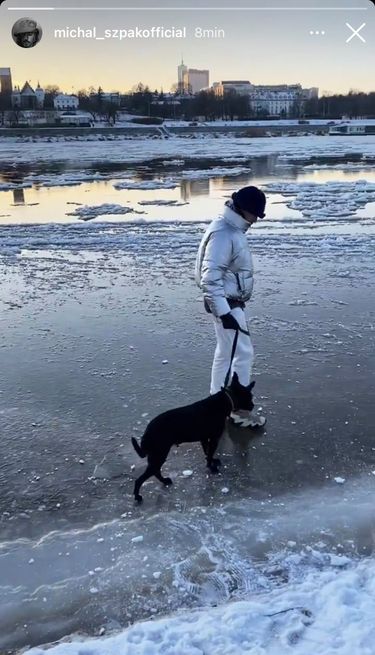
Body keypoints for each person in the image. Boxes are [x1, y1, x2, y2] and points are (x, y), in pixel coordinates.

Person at [195, 185, 267, 428]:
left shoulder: (230, 228)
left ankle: (219, 403)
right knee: (241, 354)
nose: (256, 220)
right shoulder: (225, 233)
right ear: (243, 209)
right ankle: (235, 409)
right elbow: (210, 277)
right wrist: (224, 312)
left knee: (227, 353)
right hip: (226, 303)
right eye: (255, 214)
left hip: (229, 302)